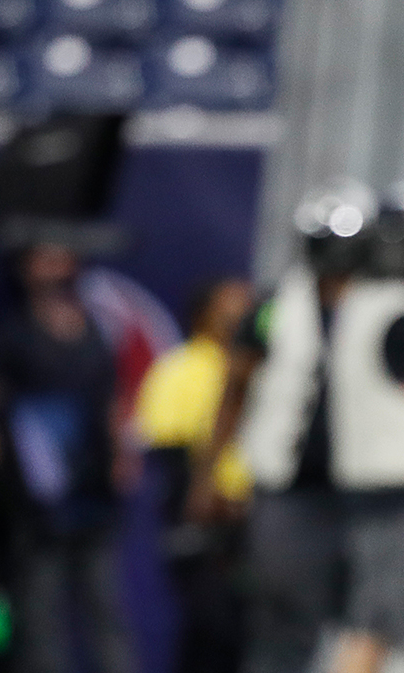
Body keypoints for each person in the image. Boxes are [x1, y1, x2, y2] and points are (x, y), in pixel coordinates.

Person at [188, 181, 404, 673]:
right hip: (293, 490)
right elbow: (236, 388)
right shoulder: (275, 307)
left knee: (383, 626)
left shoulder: (398, 309)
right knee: (285, 624)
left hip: (380, 495)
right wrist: (209, 473)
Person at [0, 242, 136, 673]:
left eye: (63, 259)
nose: (55, 271)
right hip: (29, 503)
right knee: (15, 604)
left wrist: (119, 455)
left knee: (104, 605)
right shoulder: (7, 334)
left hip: (91, 494)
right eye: (43, 260)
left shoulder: (95, 332)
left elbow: (112, 403)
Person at [135, 277, 254, 673]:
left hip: (255, 518)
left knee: (248, 629)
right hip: (202, 517)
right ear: (204, 313)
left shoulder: (255, 366)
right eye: (230, 304)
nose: (241, 314)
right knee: (209, 624)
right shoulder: (179, 368)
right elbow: (169, 453)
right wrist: (202, 500)